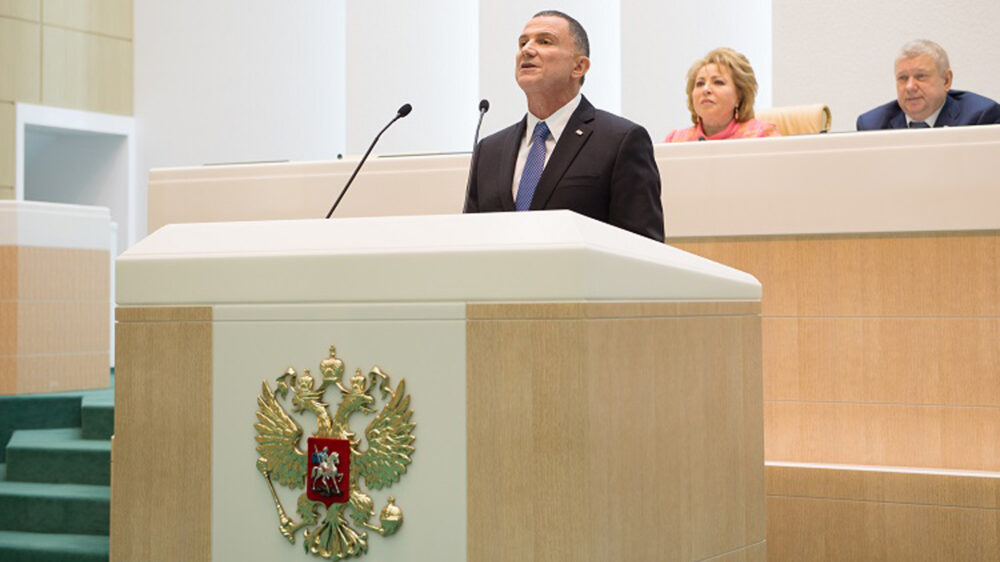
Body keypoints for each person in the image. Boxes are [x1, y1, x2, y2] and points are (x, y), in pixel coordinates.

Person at [463, 10, 664, 242]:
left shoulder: (620, 140)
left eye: (545, 41)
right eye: (522, 42)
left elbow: (642, 245)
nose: (527, 50)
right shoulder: (489, 150)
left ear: (579, 67)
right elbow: (472, 239)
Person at [857, 39, 1000, 130]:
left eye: (921, 76)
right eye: (903, 78)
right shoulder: (872, 125)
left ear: (946, 80)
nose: (910, 87)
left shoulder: (981, 118)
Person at [665, 47, 779, 142]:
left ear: (739, 96)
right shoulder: (675, 140)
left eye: (718, 82)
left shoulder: (763, 135)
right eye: (700, 83)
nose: (706, 89)